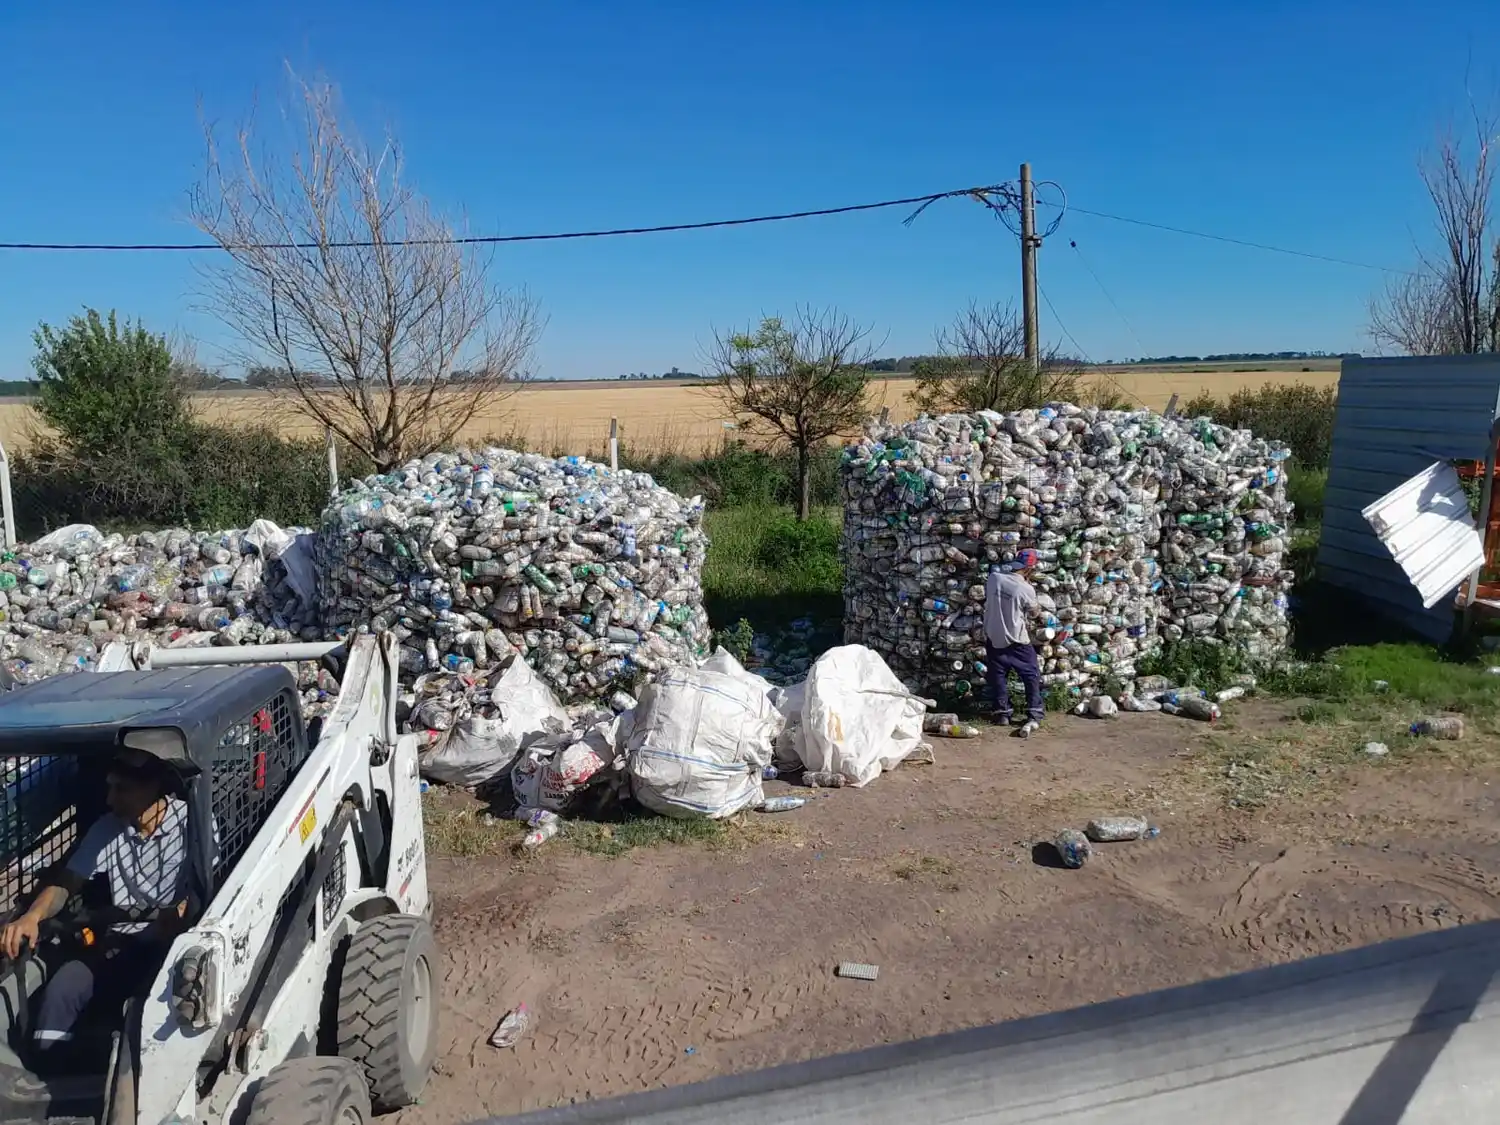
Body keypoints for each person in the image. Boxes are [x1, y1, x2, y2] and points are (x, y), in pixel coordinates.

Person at [1, 748, 191, 1065]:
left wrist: (184, 910)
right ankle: (49, 1071)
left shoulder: (191, 825)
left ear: (152, 787)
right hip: (118, 942)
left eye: (121, 790)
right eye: (109, 787)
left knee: (148, 1004)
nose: (110, 799)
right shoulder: (107, 828)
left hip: (171, 945)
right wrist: (32, 916)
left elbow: (209, 878)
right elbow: (66, 883)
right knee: (63, 987)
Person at [984, 549, 1045, 728]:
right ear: (1029, 570)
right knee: (1031, 673)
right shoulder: (1025, 589)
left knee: (998, 676)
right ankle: (1034, 712)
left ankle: (1002, 713)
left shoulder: (994, 579)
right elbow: (1033, 613)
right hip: (1016, 639)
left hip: (994, 636)